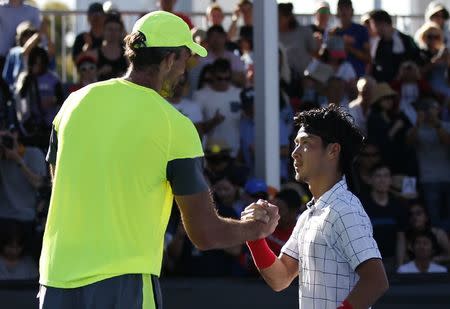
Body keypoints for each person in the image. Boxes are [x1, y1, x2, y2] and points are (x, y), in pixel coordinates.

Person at [38, 11, 279, 308]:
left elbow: (57, 180)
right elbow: (205, 233)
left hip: (54, 280)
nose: (184, 71)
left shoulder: (74, 102)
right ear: (169, 60)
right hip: (123, 283)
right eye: (185, 61)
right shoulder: (174, 126)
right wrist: (256, 229)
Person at [241, 105, 388, 308]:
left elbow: (376, 281)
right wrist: (254, 236)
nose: (294, 153)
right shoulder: (309, 215)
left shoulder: (345, 209)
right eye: (296, 144)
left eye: (306, 144)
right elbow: (280, 278)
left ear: (333, 150)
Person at [406, 97, 450, 225]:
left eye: (433, 109)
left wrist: (436, 124)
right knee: (433, 217)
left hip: (447, 176)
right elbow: (408, 142)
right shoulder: (416, 129)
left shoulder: (447, 126)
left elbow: (447, 142)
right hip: (428, 179)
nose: (429, 112)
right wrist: (418, 123)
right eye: (426, 110)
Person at [362, 163, 408, 272]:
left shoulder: (398, 206)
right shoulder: (361, 205)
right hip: (368, 262)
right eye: (378, 176)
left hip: (391, 261)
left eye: (386, 176)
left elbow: (401, 237)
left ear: (390, 180)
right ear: (370, 180)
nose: (382, 180)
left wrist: (400, 265)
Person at [194, 58, 242, 158]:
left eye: (227, 79)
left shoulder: (239, 94)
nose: (223, 82)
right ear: (212, 76)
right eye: (220, 78)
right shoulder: (200, 95)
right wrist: (213, 122)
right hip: (211, 152)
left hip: (235, 151)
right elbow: (196, 130)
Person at [369, 10, 421, 83]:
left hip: (402, 85)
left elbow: (416, 59)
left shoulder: (406, 40)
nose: (373, 30)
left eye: (374, 26)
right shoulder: (376, 43)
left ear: (382, 24)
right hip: (382, 86)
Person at [278, 2, 317, 79]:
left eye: (279, 17)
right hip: (282, 79)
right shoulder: (272, 36)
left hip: (304, 79)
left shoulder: (305, 32)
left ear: (288, 17)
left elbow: (314, 53)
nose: (276, 20)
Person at [0, 0, 41, 71]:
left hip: (24, 58)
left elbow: (40, 35)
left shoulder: (33, 11)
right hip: (2, 57)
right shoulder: (1, 8)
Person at [333, 0, 371, 78]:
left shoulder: (361, 30)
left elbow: (368, 58)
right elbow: (330, 59)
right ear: (337, 12)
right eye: (341, 8)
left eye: (347, 8)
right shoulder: (333, 33)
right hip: (338, 78)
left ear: (352, 11)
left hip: (358, 77)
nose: (344, 11)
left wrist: (349, 48)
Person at [94, 14, 128, 81]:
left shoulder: (127, 54)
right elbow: (85, 78)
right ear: (103, 31)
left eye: (116, 29)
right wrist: (100, 72)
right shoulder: (95, 54)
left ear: (120, 32)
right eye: (110, 29)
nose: (113, 33)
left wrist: (125, 75)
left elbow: (135, 74)